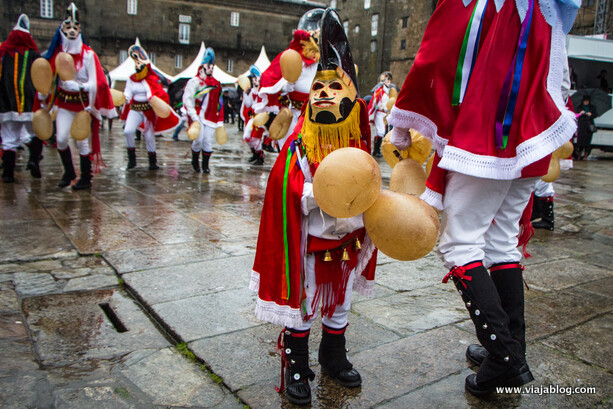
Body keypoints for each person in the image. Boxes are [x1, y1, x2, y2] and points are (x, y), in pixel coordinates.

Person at [387, 0, 579, 397]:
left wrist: (403, 118)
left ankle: (505, 358)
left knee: (460, 244)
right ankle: (509, 348)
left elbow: (435, 55)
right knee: (501, 242)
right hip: (535, 133)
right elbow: (559, 73)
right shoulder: (547, 8)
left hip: (488, 134)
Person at [250, 9, 377, 406]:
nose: (322, 91)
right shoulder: (299, 147)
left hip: (347, 243)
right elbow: (285, 190)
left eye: (334, 86)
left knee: (340, 303)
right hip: (310, 244)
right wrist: (317, 192)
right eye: (318, 86)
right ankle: (297, 364)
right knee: (303, 303)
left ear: (353, 100)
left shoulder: (359, 144)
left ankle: (333, 357)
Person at [42, 3, 117, 189]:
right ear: (62, 30)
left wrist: (79, 86)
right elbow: (49, 78)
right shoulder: (58, 54)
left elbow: (98, 82)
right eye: (68, 27)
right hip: (64, 104)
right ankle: (69, 171)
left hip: (82, 105)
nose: (72, 30)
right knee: (60, 139)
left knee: (81, 141)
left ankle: (86, 178)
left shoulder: (89, 56)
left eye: (75, 27)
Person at [253, 9, 323, 151]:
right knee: (290, 153)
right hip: (294, 113)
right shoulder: (293, 57)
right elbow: (271, 77)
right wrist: (285, 85)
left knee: (313, 156)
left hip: (317, 115)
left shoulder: (325, 62)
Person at [120, 44, 179, 170]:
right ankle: (132, 159)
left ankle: (152, 162)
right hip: (135, 109)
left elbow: (159, 93)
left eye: (139, 65)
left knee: (149, 136)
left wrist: (153, 99)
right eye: (136, 65)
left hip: (148, 111)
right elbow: (128, 92)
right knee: (128, 131)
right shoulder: (131, 79)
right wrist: (124, 98)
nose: (137, 67)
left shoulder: (152, 79)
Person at [0, 14, 44, 183]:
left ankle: (8, 173)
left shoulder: (3, 54)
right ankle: (34, 160)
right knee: (36, 133)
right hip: (29, 103)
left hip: (7, 103)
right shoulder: (35, 56)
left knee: (9, 139)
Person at [182, 47, 224, 174]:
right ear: (202, 66)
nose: (211, 68)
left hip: (210, 117)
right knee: (198, 140)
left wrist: (220, 120)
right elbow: (188, 99)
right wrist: (193, 117)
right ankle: (195, 160)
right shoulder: (194, 82)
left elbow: (219, 102)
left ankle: (205, 165)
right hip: (198, 116)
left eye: (212, 65)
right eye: (208, 65)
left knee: (207, 141)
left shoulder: (216, 84)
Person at [240, 65, 267, 165]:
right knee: (247, 137)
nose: (255, 81)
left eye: (256, 79)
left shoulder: (263, 91)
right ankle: (255, 154)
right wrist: (245, 94)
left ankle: (260, 157)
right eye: (253, 79)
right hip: (252, 118)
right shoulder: (252, 92)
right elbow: (248, 104)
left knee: (255, 138)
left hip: (260, 119)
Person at [367, 72, 392, 158]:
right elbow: (374, 103)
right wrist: (374, 111)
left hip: (385, 114)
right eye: (387, 80)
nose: (389, 82)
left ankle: (377, 150)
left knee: (381, 131)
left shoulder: (387, 92)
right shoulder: (379, 91)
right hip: (379, 113)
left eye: (390, 80)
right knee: (380, 131)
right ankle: (376, 150)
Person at [574, 95, 596, 160]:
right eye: (585, 101)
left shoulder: (592, 107)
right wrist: (580, 113)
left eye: (587, 101)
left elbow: (595, 114)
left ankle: (585, 155)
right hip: (581, 126)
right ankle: (579, 154)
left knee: (587, 141)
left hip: (588, 126)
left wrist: (591, 114)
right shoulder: (579, 107)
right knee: (580, 141)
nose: (586, 102)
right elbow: (576, 115)